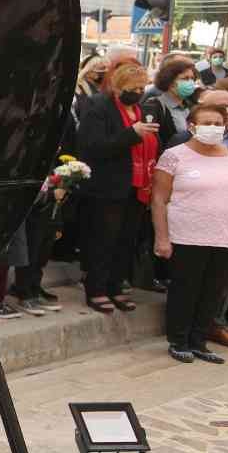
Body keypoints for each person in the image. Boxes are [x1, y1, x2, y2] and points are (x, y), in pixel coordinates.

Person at [152, 103, 228, 363]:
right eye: (207, 123)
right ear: (192, 126)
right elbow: (159, 200)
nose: (214, 128)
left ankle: (199, 341)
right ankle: (179, 340)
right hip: (188, 236)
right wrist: (162, 237)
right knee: (186, 290)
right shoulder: (174, 156)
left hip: (227, 236)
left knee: (215, 292)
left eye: (218, 123)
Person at [77, 61, 159, 314]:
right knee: (104, 239)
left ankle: (115, 286)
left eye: (142, 87)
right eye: (132, 87)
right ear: (117, 86)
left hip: (137, 187)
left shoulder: (141, 109)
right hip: (107, 186)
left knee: (126, 240)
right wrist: (132, 134)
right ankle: (96, 288)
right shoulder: (98, 107)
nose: (138, 92)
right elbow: (93, 147)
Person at [146, 55, 199, 150]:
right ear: (170, 81)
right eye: (185, 78)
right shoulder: (154, 106)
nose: (190, 82)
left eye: (192, 78)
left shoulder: (191, 105)